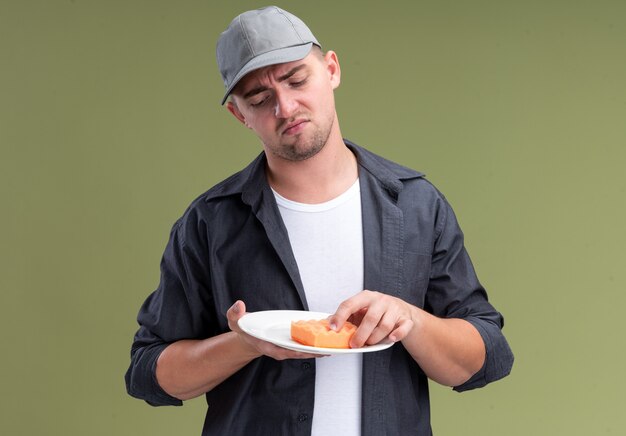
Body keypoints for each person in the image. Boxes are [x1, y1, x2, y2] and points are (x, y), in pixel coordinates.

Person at [125, 6, 513, 435]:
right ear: (239, 114)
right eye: (259, 99)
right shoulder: (210, 222)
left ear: (331, 69)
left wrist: (410, 321)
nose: (286, 106)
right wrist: (242, 345)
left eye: (296, 79)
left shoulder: (417, 205)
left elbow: (486, 357)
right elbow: (148, 372)